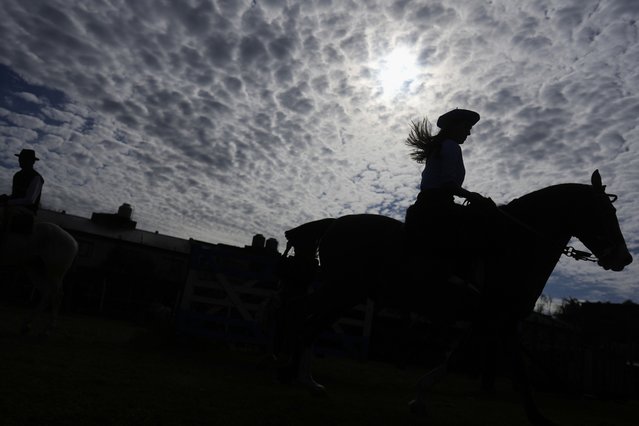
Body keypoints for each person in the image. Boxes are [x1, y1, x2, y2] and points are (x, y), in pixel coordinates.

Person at [404, 109, 494, 286]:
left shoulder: (439, 147)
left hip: (426, 204)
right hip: (439, 206)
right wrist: (473, 196)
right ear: (454, 126)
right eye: (466, 127)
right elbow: (448, 185)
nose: (468, 132)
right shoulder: (451, 146)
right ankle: (460, 276)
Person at [0, 148, 44, 235]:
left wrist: (8, 202)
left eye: (24, 159)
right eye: (20, 158)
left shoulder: (36, 177)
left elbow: (29, 200)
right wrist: (6, 198)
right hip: (14, 205)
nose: (21, 161)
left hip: (27, 210)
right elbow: (15, 195)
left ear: (32, 162)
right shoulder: (17, 175)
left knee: (8, 212)